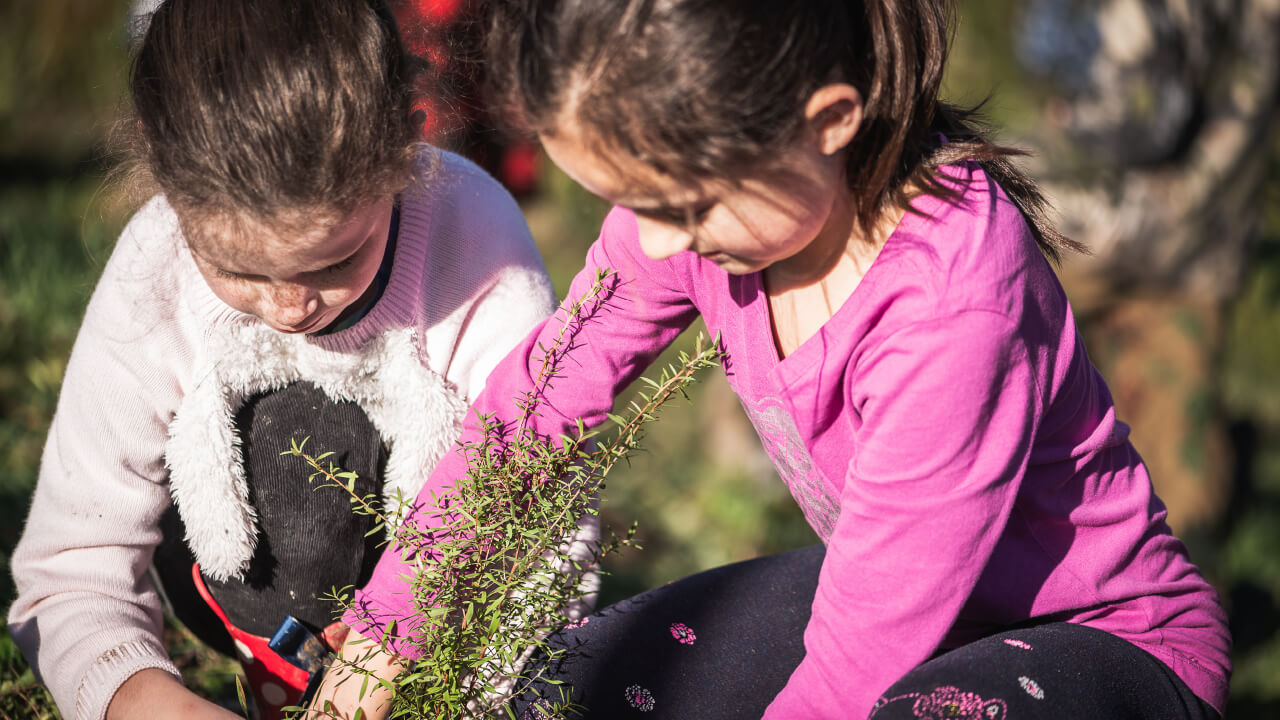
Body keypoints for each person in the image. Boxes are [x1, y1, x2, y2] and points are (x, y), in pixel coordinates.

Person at [315, 0, 1232, 718]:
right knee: (570, 688)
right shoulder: (705, 211)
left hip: (1096, 639)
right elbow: (537, 410)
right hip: (897, 601)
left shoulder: (953, 303)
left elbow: (858, 657)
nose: (658, 242)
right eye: (631, 202)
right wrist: (390, 633)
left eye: (684, 205)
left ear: (827, 119)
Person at [5, 1, 576, 719]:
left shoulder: (478, 240)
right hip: (229, 574)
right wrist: (146, 702)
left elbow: (539, 526)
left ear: (405, 143)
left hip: (443, 606)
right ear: (164, 172)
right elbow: (71, 567)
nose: (290, 308)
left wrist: (461, 685)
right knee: (290, 431)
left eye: (335, 261)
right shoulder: (155, 266)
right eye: (236, 269)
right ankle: (279, 677)